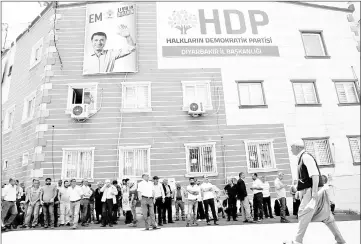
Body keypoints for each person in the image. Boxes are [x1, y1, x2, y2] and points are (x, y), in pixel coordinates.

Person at [284, 140, 346, 244]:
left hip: (313, 190)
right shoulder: (301, 158)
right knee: (327, 217)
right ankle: (340, 241)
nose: (290, 149)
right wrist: (300, 190)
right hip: (314, 190)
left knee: (303, 213)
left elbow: (315, 175)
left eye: (291, 147)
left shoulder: (306, 157)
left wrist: (314, 192)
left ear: (297, 147)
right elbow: (304, 178)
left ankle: (297, 241)